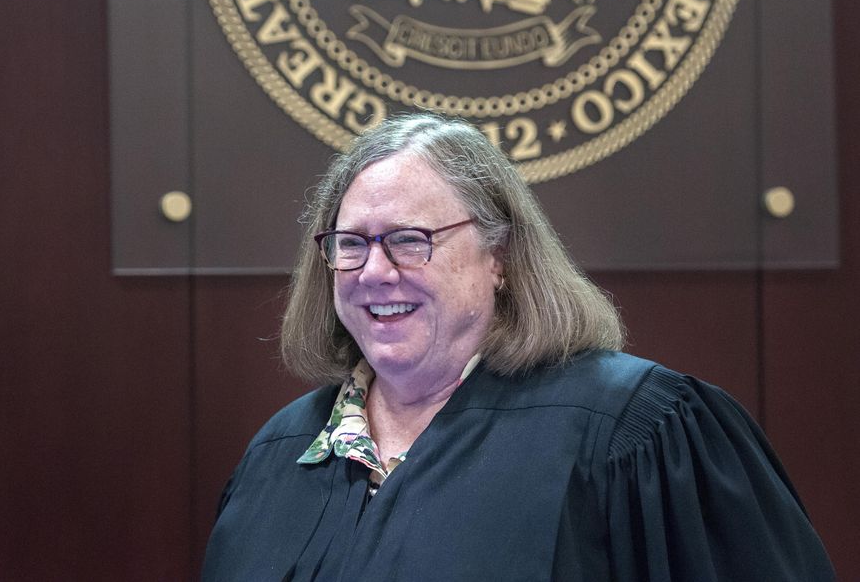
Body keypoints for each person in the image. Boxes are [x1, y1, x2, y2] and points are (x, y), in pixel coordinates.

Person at [201, 114, 835, 581]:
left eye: (410, 239)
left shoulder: (634, 433)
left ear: (498, 255)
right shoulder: (281, 454)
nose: (374, 271)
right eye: (351, 243)